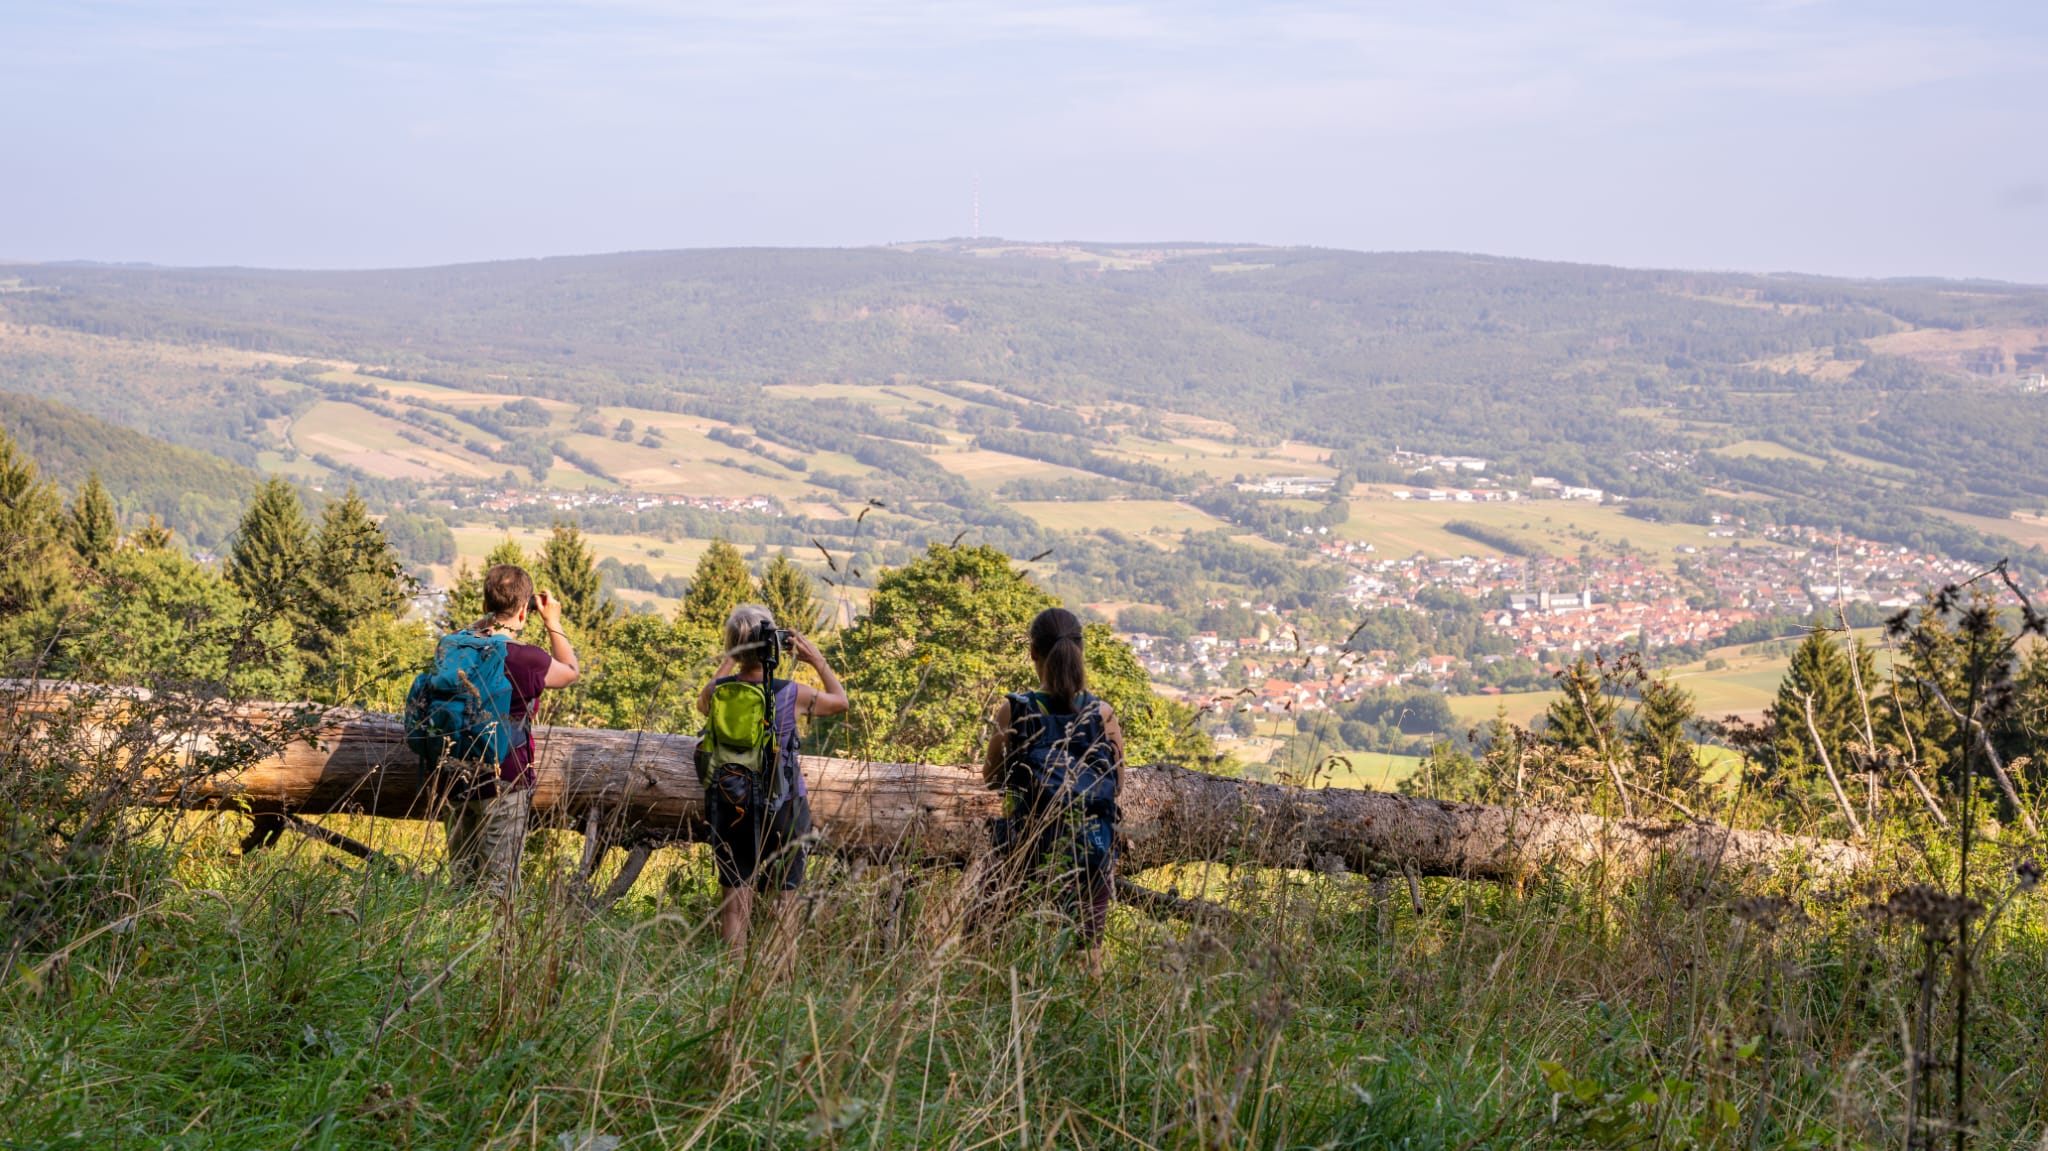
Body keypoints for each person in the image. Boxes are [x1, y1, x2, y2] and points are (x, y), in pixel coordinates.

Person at [696, 604, 848, 954]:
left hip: (731, 802)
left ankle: (731, 981)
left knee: (735, 905)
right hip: (785, 807)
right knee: (785, 903)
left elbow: (703, 701)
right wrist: (816, 660)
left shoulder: (718, 691)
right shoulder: (792, 693)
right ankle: (777, 984)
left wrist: (731, 658)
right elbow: (841, 703)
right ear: (774, 644)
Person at [981, 607, 1125, 974]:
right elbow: (1117, 783)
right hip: (1091, 852)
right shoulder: (1102, 714)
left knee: (1005, 948)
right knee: (1086, 956)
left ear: (1033, 653)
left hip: (1025, 850)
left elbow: (992, 778)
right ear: (1080, 651)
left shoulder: (1015, 711)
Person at [441, 564, 580, 898]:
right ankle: (492, 948)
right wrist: (553, 622)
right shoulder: (526, 658)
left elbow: (465, 632)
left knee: (461, 880)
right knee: (498, 888)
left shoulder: (453, 647)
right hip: (505, 779)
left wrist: (489, 619)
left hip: (454, 776)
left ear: (486, 606)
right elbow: (571, 672)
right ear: (524, 610)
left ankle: (450, 942)